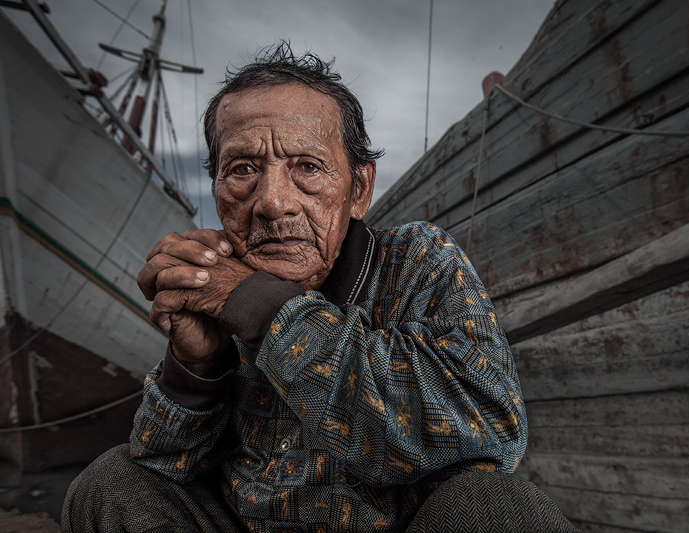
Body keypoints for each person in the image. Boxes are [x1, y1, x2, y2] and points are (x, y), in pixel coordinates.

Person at [63, 43, 580, 533]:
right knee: (111, 484)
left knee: (495, 509)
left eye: (307, 167)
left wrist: (262, 309)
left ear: (359, 189)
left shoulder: (416, 260)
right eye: (241, 169)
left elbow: (492, 428)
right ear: (217, 189)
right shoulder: (219, 278)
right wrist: (197, 370)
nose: (271, 203)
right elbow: (161, 462)